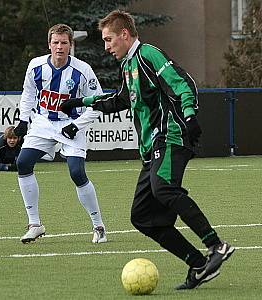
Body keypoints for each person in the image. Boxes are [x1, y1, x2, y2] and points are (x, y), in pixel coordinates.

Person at [60, 10, 234, 289]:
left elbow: (182, 83)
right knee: (142, 217)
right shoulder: (128, 66)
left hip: (171, 136)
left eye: (109, 40)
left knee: (163, 188)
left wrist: (189, 115)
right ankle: (199, 264)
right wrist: (81, 101)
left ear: (125, 35)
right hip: (151, 147)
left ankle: (216, 246)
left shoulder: (148, 55)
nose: (106, 47)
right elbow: (121, 99)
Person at [14, 23, 107, 244]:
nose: (59, 47)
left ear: (70, 45)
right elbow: (28, 94)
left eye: (64, 43)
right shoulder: (36, 66)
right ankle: (35, 224)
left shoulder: (82, 70)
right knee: (23, 163)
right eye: (55, 42)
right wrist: (22, 120)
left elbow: (99, 102)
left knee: (77, 173)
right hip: (44, 123)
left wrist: (77, 125)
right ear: (49, 44)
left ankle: (99, 226)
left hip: (71, 124)